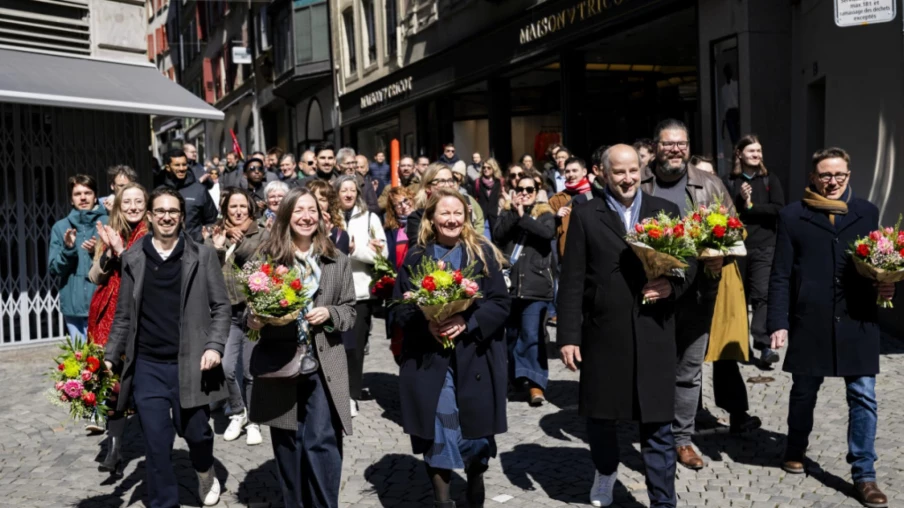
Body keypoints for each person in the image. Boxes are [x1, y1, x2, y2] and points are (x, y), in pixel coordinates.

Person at [559, 144, 695, 508]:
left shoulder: (664, 210)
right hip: (604, 332)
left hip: (654, 331)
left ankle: (663, 501)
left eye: (633, 170)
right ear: (602, 173)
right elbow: (571, 280)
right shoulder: (585, 214)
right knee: (601, 418)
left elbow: (689, 262)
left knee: (658, 424)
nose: (627, 178)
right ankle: (605, 471)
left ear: (642, 170)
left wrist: (673, 285)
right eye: (619, 172)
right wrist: (568, 336)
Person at [767, 147, 896, 508]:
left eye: (839, 174)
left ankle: (864, 475)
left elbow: (881, 260)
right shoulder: (793, 215)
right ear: (813, 177)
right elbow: (780, 274)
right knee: (803, 391)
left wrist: (887, 285)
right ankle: (795, 447)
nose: (833, 181)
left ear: (848, 175)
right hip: (811, 319)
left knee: (864, 396)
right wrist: (777, 322)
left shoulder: (867, 212)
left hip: (858, 319)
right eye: (825, 175)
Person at [640, 119, 760, 471]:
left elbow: (735, 230)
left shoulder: (709, 183)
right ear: (656, 146)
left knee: (688, 371)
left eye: (682, 143)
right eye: (668, 143)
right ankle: (652, 433)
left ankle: (681, 439)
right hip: (649, 292)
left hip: (698, 293)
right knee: (651, 368)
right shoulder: (638, 181)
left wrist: (723, 254)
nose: (675, 149)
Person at [104, 187, 230, 508]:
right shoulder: (133, 258)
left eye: (173, 211)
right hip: (148, 366)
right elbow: (123, 315)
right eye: (160, 211)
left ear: (182, 216)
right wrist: (109, 357)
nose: (166, 217)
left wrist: (214, 346)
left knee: (197, 433)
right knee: (157, 445)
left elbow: (221, 307)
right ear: (149, 216)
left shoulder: (202, 256)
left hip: (192, 363)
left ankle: (204, 470)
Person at [392, 189, 511, 508]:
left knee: (476, 438)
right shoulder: (416, 257)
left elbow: (501, 304)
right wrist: (425, 323)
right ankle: (442, 502)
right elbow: (399, 307)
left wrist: (467, 321)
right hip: (430, 360)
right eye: (444, 213)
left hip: (476, 358)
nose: (452, 219)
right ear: (431, 218)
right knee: (438, 429)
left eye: (458, 213)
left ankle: (475, 479)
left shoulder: (482, 254)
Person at [246, 187, 356, 508]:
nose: (306, 217)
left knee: (321, 440)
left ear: (320, 217)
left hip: (323, 362)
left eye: (312, 211)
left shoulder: (337, 259)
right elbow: (249, 312)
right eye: (298, 211)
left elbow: (350, 311)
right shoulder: (266, 258)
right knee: (288, 442)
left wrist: (330, 313)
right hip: (280, 362)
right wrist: (255, 320)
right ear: (286, 216)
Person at [88, 182, 149, 472]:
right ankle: (114, 449)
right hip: (107, 316)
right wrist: (108, 253)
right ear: (118, 206)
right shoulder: (111, 231)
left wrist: (123, 252)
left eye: (138, 201)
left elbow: (145, 274)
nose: (133, 207)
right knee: (112, 385)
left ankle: (155, 446)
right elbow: (94, 276)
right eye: (127, 202)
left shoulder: (153, 233)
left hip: (140, 316)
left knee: (140, 383)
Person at [206, 187, 265, 447]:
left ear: (250, 208)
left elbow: (261, 262)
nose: (238, 211)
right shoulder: (216, 233)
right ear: (225, 210)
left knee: (251, 371)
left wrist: (238, 242)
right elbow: (207, 269)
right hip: (227, 313)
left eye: (243, 206)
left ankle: (254, 421)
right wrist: (218, 247)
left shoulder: (262, 233)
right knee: (227, 368)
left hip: (254, 312)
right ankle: (238, 412)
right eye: (233, 207)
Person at [493, 174, 555, 406]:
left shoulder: (545, 214)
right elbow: (498, 236)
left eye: (530, 189)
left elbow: (546, 234)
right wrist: (513, 213)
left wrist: (523, 217)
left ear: (537, 192)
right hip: (510, 285)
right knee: (511, 336)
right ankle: (516, 379)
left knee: (532, 334)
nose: (525, 193)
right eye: (521, 189)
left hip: (535, 285)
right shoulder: (506, 212)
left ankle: (536, 383)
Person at [723, 135, 785, 365]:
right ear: (739, 154)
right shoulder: (729, 181)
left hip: (765, 245)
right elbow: (723, 212)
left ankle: (764, 344)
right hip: (737, 247)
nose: (757, 155)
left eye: (759, 151)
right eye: (752, 151)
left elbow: (778, 209)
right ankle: (740, 344)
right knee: (738, 297)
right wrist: (740, 200)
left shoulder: (769, 179)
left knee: (762, 295)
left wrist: (751, 206)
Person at [334, 175, 387, 415]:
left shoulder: (370, 219)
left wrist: (355, 250)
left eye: (352, 190)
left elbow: (382, 255)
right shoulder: (328, 217)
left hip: (360, 292)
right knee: (335, 346)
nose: (348, 194)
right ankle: (335, 392)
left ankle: (351, 395)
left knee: (355, 348)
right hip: (333, 292)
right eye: (343, 190)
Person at [50, 174, 109, 343]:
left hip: (103, 305)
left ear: (95, 197)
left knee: (104, 356)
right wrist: (68, 250)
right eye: (77, 194)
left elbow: (119, 263)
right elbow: (54, 269)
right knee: (79, 356)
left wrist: (96, 252)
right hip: (73, 307)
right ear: (71, 199)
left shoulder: (108, 222)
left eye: (88, 193)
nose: (83, 198)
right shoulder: (61, 227)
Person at [406, 163, 483, 245]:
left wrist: (464, 217)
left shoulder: (463, 209)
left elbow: (471, 240)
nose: (448, 185)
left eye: (450, 180)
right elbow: (418, 247)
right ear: (427, 188)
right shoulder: (417, 217)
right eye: (441, 181)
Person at [380, 186, 415, 364]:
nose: (403, 206)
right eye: (397, 205)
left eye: (405, 201)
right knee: (398, 339)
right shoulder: (390, 231)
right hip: (398, 288)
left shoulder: (424, 224)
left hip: (417, 285)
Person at [158, 149, 218, 242]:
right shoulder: (159, 192)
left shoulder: (199, 190)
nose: (182, 168)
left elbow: (212, 220)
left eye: (184, 164)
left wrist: (203, 237)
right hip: (166, 245)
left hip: (195, 245)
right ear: (168, 167)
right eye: (177, 165)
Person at [549, 156, 594, 258]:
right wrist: (556, 216)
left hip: (592, 250)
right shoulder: (557, 199)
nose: (571, 175)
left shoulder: (595, 194)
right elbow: (546, 226)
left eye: (574, 171)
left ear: (584, 172)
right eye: (567, 171)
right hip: (568, 252)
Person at [306, 179, 350, 255]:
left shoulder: (339, 235)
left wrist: (325, 235)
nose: (318, 203)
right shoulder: (300, 229)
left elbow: (338, 261)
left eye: (322, 200)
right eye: (314, 198)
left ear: (329, 204)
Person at [473, 158, 504, 241]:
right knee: (486, 242)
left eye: (488, 167)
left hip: (496, 218)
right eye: (484, 167)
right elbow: (473, 198)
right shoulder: (477, 182)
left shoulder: (500, 182)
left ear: (494, 168)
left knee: (497, 242)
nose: (485, 169)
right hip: (483, 218)